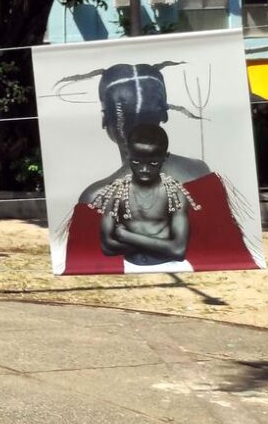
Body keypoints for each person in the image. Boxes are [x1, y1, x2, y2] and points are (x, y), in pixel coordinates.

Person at [58, 62, 255, 273]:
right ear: (164, 112)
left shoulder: (95, 198)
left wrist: (126, 236)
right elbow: (229, 258)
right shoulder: (199, 174)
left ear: (105, 119)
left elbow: (91, 270)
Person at [89, 124, 193, 266]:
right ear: (127, 154)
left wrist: (125, 235)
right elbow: (107, 247)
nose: (144, 169)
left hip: (172, 266)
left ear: (165, 157)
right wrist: (161, 244)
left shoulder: (173, 193)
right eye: (136, 162)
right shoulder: (117, 192)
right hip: (130, 268)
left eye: (153, 163)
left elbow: (178, 250)